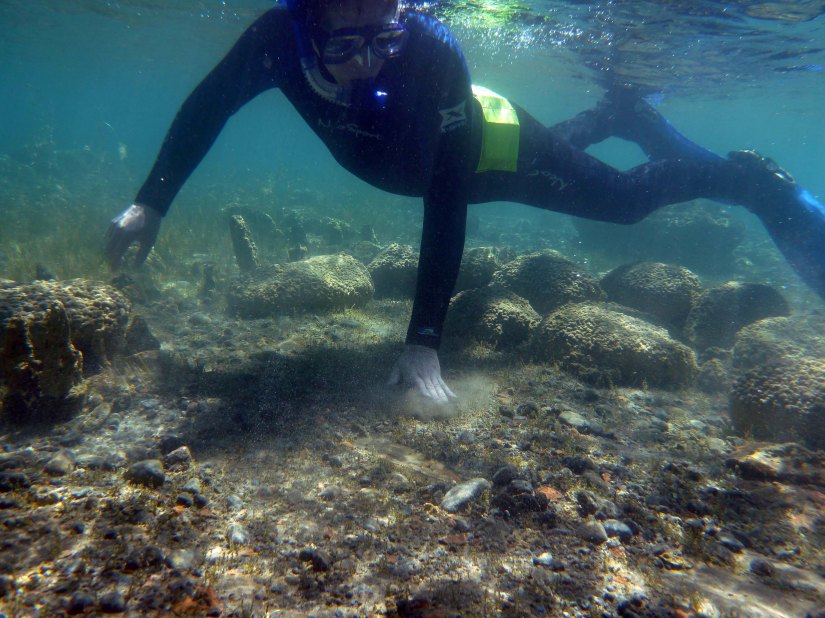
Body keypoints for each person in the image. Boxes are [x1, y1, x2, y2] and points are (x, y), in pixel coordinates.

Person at [105, 0, 825, 403]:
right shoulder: (272, 39)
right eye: (349, 39)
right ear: (308, 16)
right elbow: (207, 108)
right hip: (434, 157)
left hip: (491, 150)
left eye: (385, 33)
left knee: (623, 203)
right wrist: (151, 204)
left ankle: (744, 180)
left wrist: (422, 342)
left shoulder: (432, 48)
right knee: (579, 163)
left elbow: (447, 195)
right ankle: (615, 117)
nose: (371, 62)